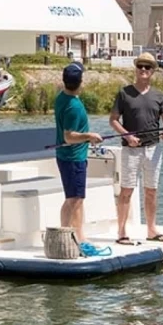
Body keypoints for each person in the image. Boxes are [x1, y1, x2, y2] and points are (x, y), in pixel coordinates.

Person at [109, 52, 163, 244]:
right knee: (126, 190)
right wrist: (127, 136)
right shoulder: (124, 93)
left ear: (153, 71)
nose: (144, 70)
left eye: (148, 67)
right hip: (131, 150)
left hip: (153, 149)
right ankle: (121, 232)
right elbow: (113, 120)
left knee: (151, 190)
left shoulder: (159, 96)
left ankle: (152, 229)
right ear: (136, 69)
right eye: (140, 66)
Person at [54, 62, 104, 244]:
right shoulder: (73, 107)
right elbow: (68, 137)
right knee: (74, 200)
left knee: (76, 198)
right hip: (73, 158)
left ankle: (75, 235)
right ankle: (71, 237)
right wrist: (90, 136)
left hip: (71, 157)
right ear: (80, 82)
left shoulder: (62, 97)